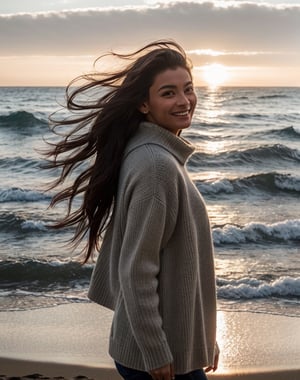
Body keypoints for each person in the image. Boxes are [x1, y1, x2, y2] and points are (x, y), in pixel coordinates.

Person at [46, 40, 219, 380]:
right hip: (158, 356)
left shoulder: (152, 152)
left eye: (188, 89)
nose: (184, 101)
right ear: (144, 103)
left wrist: (202, 339)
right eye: (168, 93)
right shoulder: (156, 165)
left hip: (171, 348)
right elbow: (137, 269)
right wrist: (155, 351)